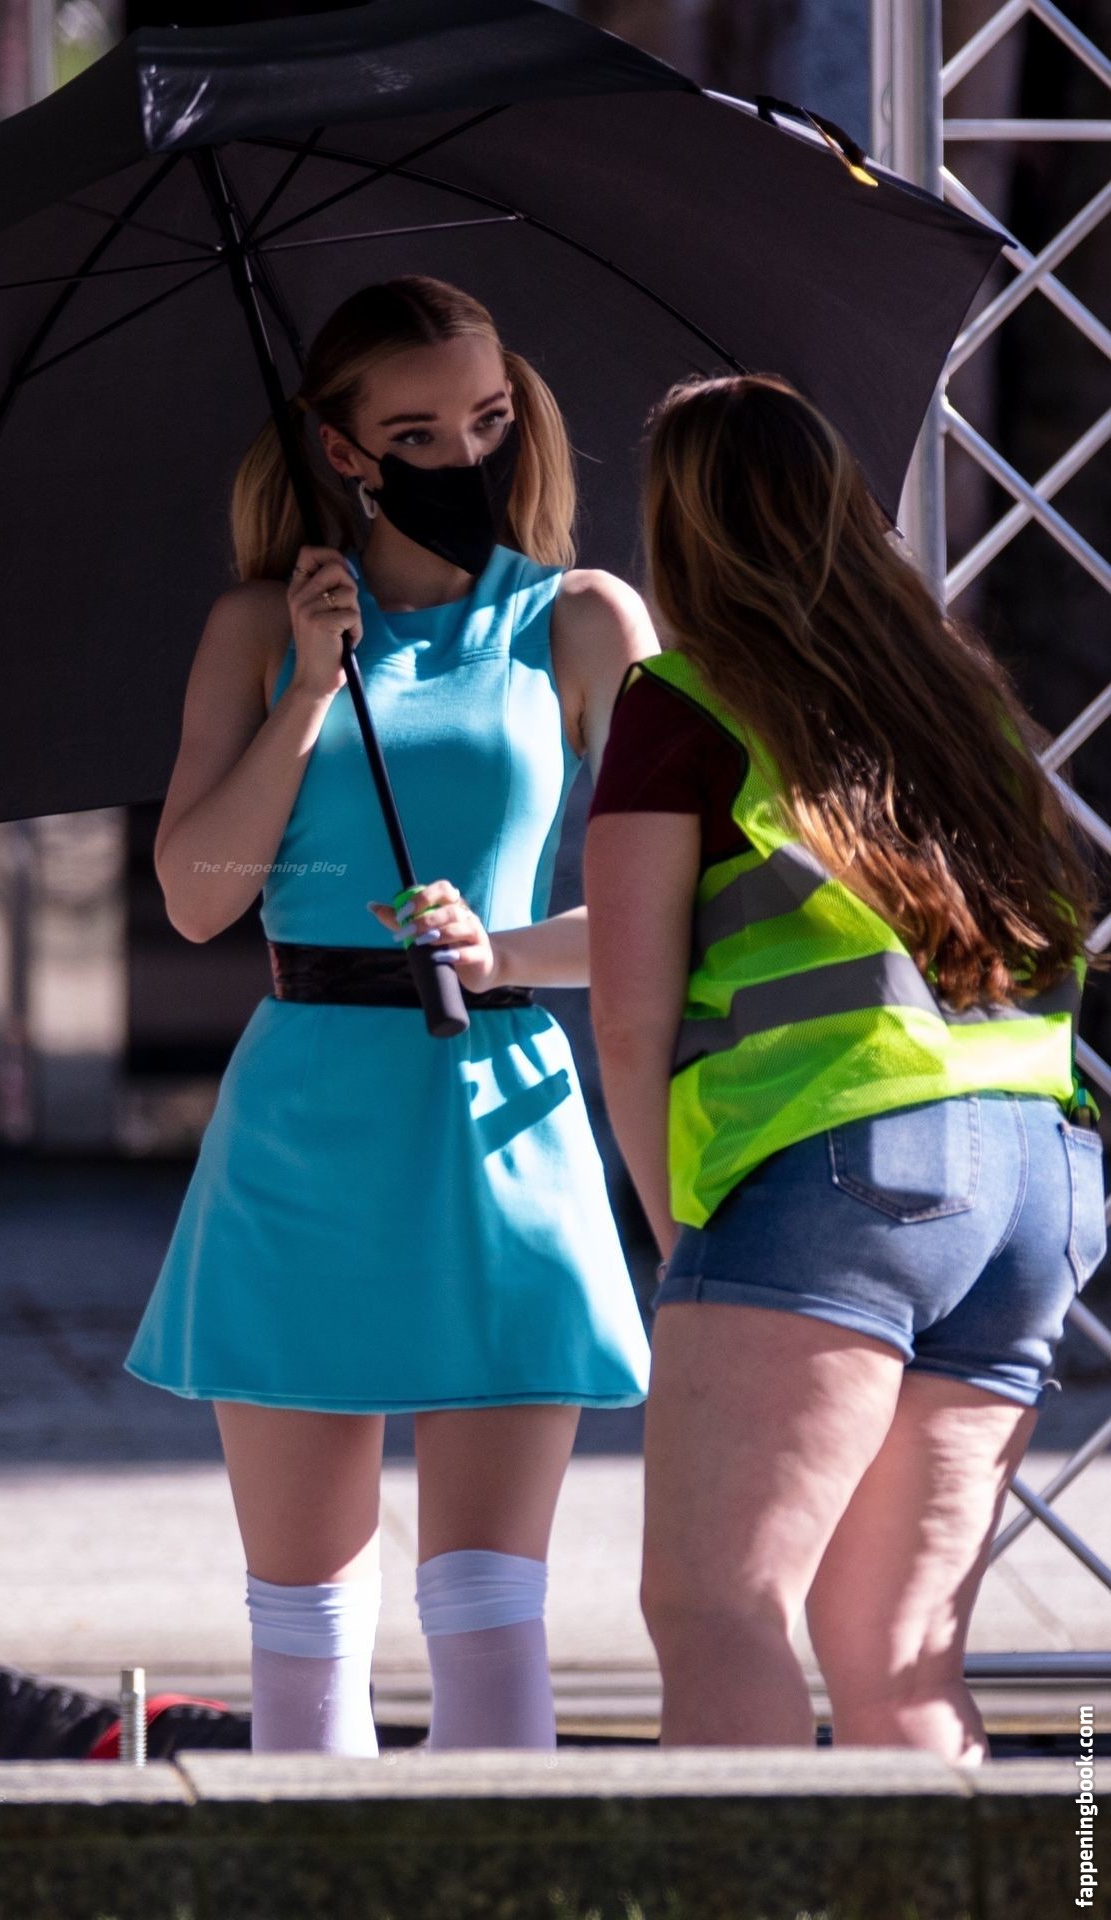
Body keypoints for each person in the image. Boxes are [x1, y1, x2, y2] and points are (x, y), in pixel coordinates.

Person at [123, 275, 656, 1756]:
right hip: (305, 1120)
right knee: (305, 1638)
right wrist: (308, 693)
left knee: (490, 1616)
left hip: (502, 1107)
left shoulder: (583, 620)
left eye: (487, 418)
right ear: (343, 449)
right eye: (417, 433)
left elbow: (678, 913)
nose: (465, 453)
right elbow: (201, 897)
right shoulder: (258, 627)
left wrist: (503, 948)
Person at [584, 370, 1107, 1762]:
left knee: (717, 1607)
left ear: (677, 530)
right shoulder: (956, 701)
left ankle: (750, 1885)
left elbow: (631, 1012)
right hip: (1038, 1177)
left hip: (839, 1169)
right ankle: (1054, 1866)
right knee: (900, 1654)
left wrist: (682, 1233)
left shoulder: (681, 703)